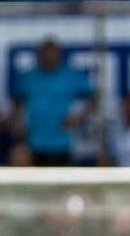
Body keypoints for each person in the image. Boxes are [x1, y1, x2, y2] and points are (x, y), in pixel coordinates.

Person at [13, 38, 91, 166]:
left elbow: (93, 97)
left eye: (52, 53)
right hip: (34, 140)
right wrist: (17, 122)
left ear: (59, 54)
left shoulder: (70, 75)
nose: (49, 57)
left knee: (60, 181)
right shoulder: (29, 77)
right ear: (39, 54)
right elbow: (17, 101)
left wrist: (79, 116)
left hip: (61, 141)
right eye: (45, 53)